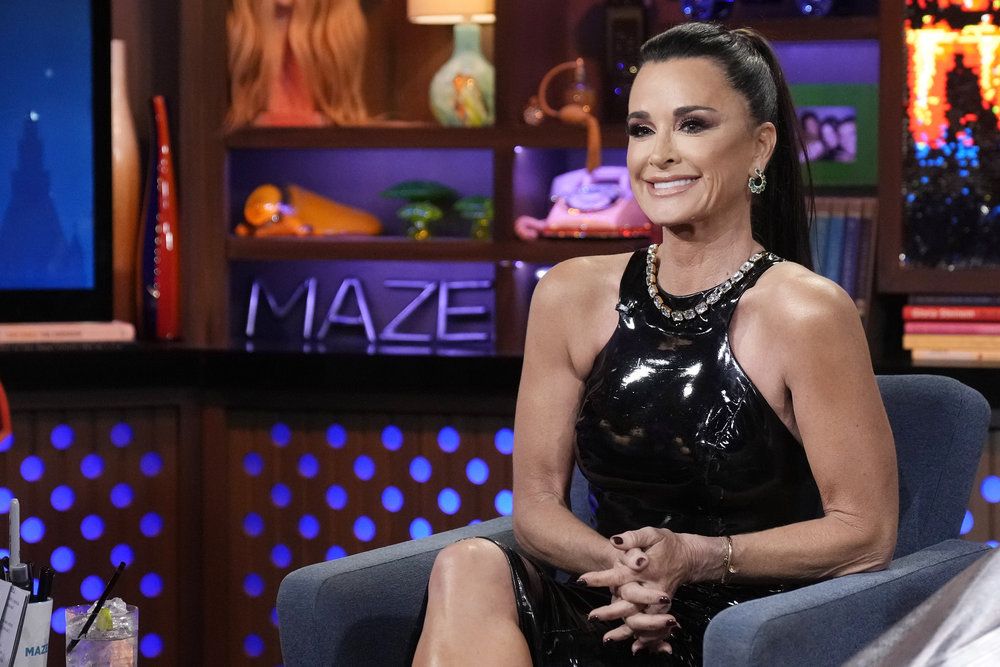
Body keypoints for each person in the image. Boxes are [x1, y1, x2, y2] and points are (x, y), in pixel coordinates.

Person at [411, 21, 898, 666]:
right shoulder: (569, 295)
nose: (658, 154)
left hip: (738, 627)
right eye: (642, 129)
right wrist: (631, 572)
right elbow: (536, 507)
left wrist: (696, 558)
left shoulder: (806, 312)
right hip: (611, 605)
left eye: (691, 125)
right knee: (467, 564)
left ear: (760, 148)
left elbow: (865, 532)